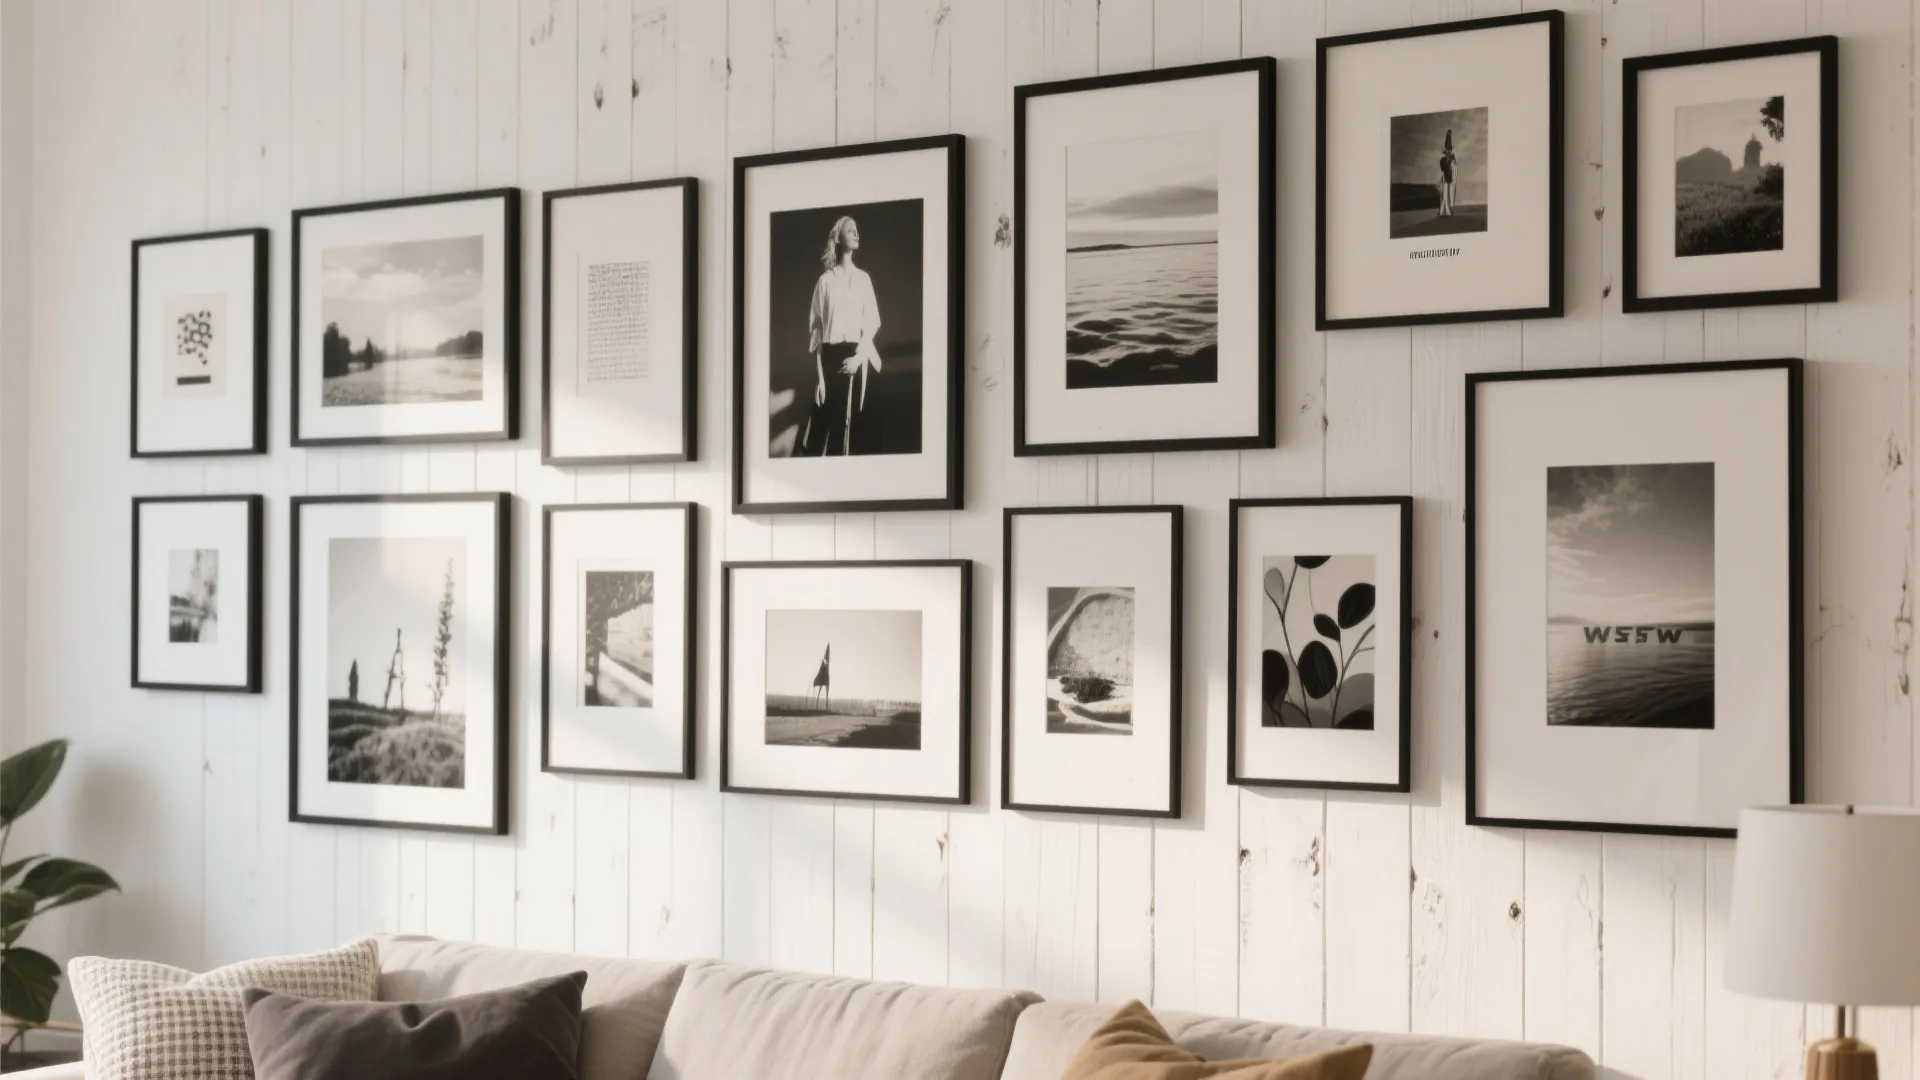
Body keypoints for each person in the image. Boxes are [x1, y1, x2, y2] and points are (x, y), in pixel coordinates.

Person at [808, 216, 884, 456]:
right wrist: (820, 380)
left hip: (857, 355)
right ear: (838, 238)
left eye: (857, 231)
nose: (856, 234)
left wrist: (858, 359)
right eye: (850, 231)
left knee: (853, 424)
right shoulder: (825, 282)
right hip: (831, 359)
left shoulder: (863, 279)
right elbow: (817, 335)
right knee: (826, 426)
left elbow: (871, 323)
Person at [1438, 128, 1457, 218]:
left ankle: (1444, 211)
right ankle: (1445, 212)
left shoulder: (1450, 160)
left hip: (1448, 178)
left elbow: (1452, 169)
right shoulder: (1444, 160)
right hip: (1446, 178)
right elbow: (1443, 169)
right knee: (1444, 195)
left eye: (1449, 152)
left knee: (1447, 195)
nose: (1448, 153)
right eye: (1447, 152)